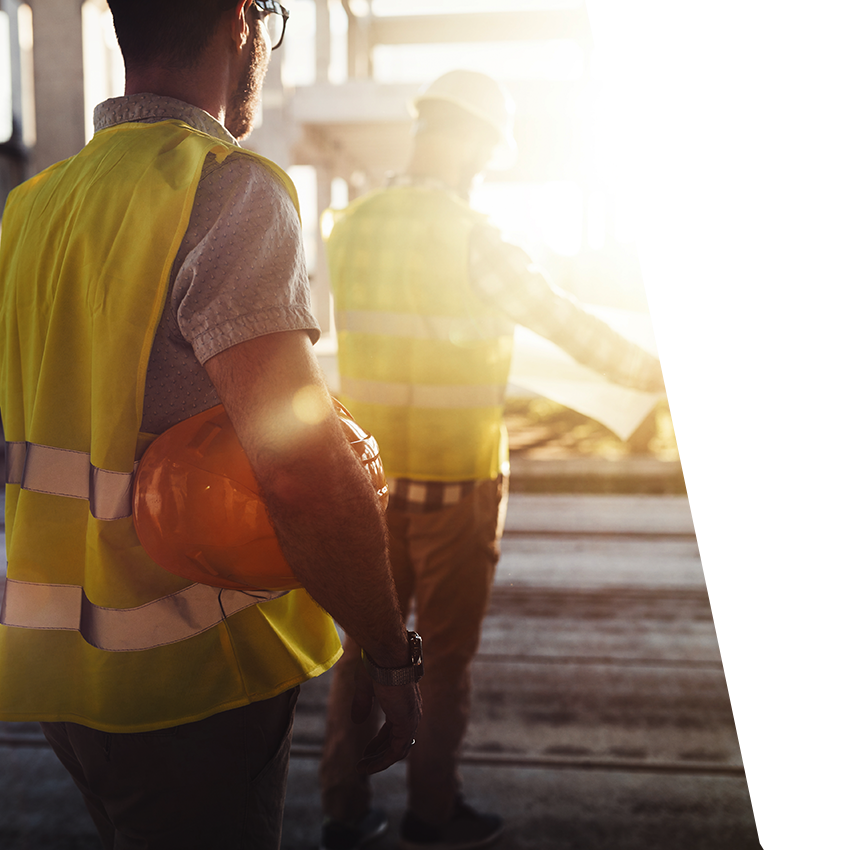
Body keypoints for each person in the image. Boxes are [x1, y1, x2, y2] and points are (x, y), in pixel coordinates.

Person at [0, 2, 421, 848]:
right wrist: (387, 649)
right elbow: (301, 470)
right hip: (195, 684)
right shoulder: (227, 190)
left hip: (67, 683)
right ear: (241, 22)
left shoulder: (33, 208)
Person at [318, 70, 667, 850]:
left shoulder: (351, 227)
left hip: (369, 491)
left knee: (363, 653)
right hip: (457, 490)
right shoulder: (476, 237)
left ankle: (343, 811)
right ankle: (431, 813)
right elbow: (569, 327)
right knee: (442, 662)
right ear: (473, 139)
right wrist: (661, 373)